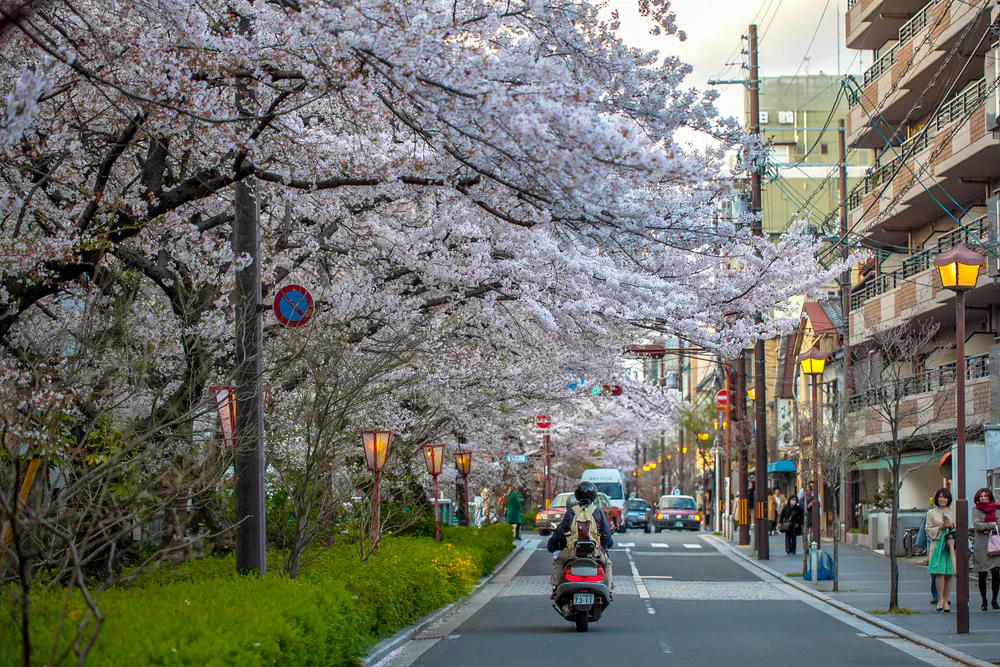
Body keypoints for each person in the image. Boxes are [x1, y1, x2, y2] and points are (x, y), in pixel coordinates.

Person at [547, 482, 614, 597]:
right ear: (594, 496)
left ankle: (556, 587)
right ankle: (608, 590)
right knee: (607, 564)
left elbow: (562, 534)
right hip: (595, 553)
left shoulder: (570, 512)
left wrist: (562, 546)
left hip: (572, 553)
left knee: (558, 561)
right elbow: (606, 536)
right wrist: (604, 546)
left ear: (577, 495)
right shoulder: (598, 512)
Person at [927, 487, 956, 613]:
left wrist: (951, 526)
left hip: (951, 545)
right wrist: (940, 527)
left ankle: (946, 600)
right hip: (938, 544)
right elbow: (927, 530)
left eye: (945, 497)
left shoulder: (954, 511)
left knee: (949, 573)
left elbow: (960, 526)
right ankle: (939, 599)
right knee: (939, 572)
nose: (942, 499)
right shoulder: (931, 513)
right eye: (940, 497)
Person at [973, 487, 1000, 611]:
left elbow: (998, 524)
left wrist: (991, 526)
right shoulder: (976, 510)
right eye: (981, 496)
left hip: (995, 544)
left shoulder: (997, 509)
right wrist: (991, 524)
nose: (983, 498)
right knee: (982, 573)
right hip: (982, 545)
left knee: (996, 572)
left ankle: (994, 600)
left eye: (985, 496)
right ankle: (984, 600)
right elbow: (977, 525)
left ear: (990, 497)